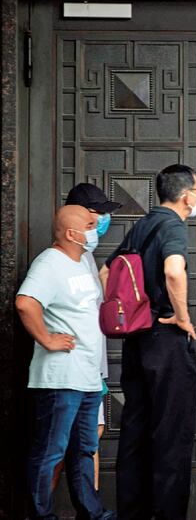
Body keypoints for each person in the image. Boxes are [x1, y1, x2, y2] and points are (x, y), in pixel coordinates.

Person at [101, 164, 196, 520]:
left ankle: (132, 513)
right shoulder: (172, 225)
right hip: (165, 338)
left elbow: (105, 272)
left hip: (137, 340)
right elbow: (174, 270)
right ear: (186, 194)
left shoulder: (141, 225)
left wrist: (130, 312)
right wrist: (183, 318)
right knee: (171, 434)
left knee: (136, 429)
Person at [16, 205, 114, 520]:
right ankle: (40, 515)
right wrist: (46, 339)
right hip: (60, 379)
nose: (96, 227)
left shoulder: (81, 263)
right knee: (50, 452)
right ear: (72, 233)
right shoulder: (50, 263)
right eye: (89, 223)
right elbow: (25, 302)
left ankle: (91, 512)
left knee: (84, 450)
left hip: (86, 378)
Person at [60, 183, 122, 490]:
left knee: (91, 435)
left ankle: (90, 507)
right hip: (72, 369)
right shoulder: (60, 260)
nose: (102, 222)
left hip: (90, 368)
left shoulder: (87, 257)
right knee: (59, 446)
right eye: (97, 214)